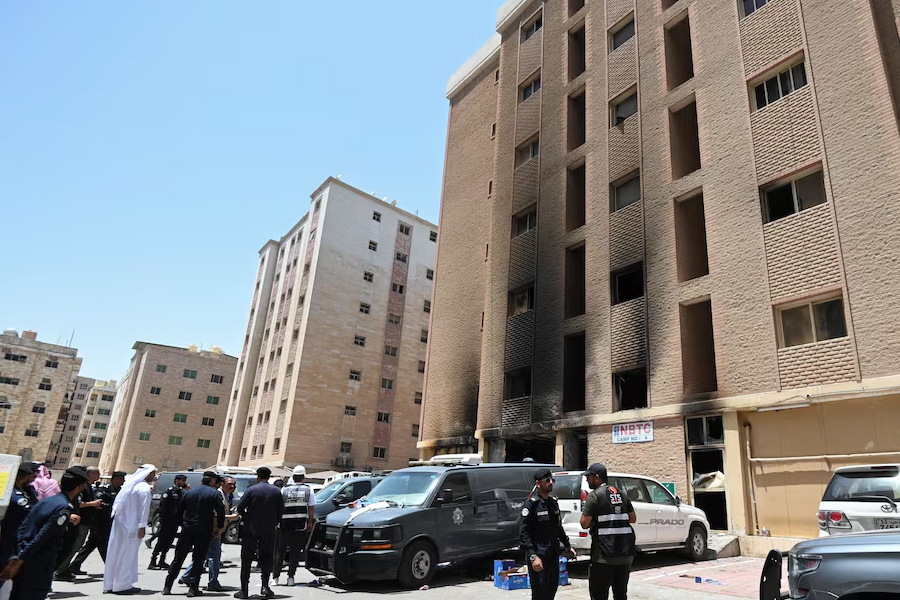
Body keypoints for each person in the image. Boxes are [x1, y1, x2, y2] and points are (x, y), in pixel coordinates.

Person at [0, 467, 90, 600]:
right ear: (80, 487)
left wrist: (18, 556)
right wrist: (18, 562)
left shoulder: (47, 501)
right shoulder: (64, 508)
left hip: (25, 557)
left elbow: (23, 528)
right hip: (39, 564)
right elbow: (41, 537)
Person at [162, 471, 225, 597]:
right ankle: (193, 588)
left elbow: (179, 511)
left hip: (188, 529)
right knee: (198, 559)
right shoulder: (214, 494)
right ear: (212, 481)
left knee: (178, 558)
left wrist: (181, 524)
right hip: (204, 530)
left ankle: (167, 586)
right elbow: (220, 511)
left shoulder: (189, 493)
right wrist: (219, 527)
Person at [580, 463, 636, 600]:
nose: (587, 480)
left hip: (603, 557)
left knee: (599, 595)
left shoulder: (595, 496)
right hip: (625, 555)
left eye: (589, 477)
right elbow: (633, 518)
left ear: (597, 478)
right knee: (621, 594)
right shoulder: (621, 494)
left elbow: (584, 523)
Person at [520, 469, 574, 600]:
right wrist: (533, 556)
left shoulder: (552, 502)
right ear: (538, 483)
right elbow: (524, 533)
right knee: (540, 594)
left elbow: (558, 528)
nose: (551, 483)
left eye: (552, 480)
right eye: (547, 480)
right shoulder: (531, 504)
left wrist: (567, 546)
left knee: (551, 591)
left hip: (553, 554)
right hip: (539, 556)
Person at [177, 475, 237, 592]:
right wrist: (231, 518)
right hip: (211, 530)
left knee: (203, 555)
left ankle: (187, 576)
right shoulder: (216, 494)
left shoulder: (227, 496)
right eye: (229, 484)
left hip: (215, 530)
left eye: (234, 484)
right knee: (214, 556)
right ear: (221, 484)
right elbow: (214, 514)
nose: (232, 486)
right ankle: (212, 582)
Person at [104, 464, 157, 595]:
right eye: (153, 474)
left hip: (121, 525)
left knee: (116, 553)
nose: (154, 476)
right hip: (132, 526)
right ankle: (122, 585)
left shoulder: (130, 486)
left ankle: (111, 584)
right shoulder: (143, 488)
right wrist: (142, 526)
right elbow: (144, 510)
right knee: (127, 555)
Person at [235, 467, 283, 599]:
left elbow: (240, 508)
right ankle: (265, 587)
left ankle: (244, 590)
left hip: (251, 529)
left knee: (247, 559)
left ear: (258, 477)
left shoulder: (251, 490)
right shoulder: (276, 491)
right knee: (267, 558)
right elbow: (280, 512)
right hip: (268, 530)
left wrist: (247, 517)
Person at [68, 470, 125, 572]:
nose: (123, 481)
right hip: (99, 521)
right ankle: (112, 569)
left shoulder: (121, 491)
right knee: (103, 545)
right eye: (121, 479)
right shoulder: (104, 489)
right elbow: (99, 503)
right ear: (115, 479)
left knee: (91, 544)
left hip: (109, 522)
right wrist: (112, 508)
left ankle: (74, 566)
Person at [56, 466, 102, 580]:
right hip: (78, 521)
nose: (99, 477)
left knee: (75, 546)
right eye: (97, 474)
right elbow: (79, 503)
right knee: (72, 546)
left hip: (84, 521)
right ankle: (60, 570)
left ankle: (64, 568)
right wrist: (92, 504)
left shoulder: (87, 486)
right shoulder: (81, 486)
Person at [274, 465, 315, 587]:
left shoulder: (284, 489)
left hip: (284, 524)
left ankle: (275, 577)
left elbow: (279, 506)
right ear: (303, 477)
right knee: (295, 552)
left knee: (280, 552)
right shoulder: (308, 490)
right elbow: (311, 507)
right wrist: (310, 522)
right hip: (300, 525)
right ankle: (291, 577)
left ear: (293, 476)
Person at [148, 474, 189, 570]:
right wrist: (164, 518)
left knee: (169, 541)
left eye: (184, 481)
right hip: (167, 520)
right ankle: (153, 561)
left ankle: (162, 560)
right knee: (161, 541)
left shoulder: (182, 492)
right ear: (176, 481)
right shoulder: (169, 491)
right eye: (182, 480)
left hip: (175, 521)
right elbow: (163, 506)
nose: (183, 482)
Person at [0, 463, 35, 571]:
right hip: (11, 535)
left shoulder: (12, 491)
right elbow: (30, 512)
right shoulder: (17, 496)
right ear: (25, 477)